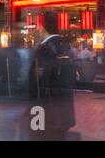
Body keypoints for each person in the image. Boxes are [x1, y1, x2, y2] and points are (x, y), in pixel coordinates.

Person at [26, 11, 76, 141]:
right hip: (64, 108)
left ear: (43, 27)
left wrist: (33, 103)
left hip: (46, 108)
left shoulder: (45, 48)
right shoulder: (65, 45)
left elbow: (39, 79)